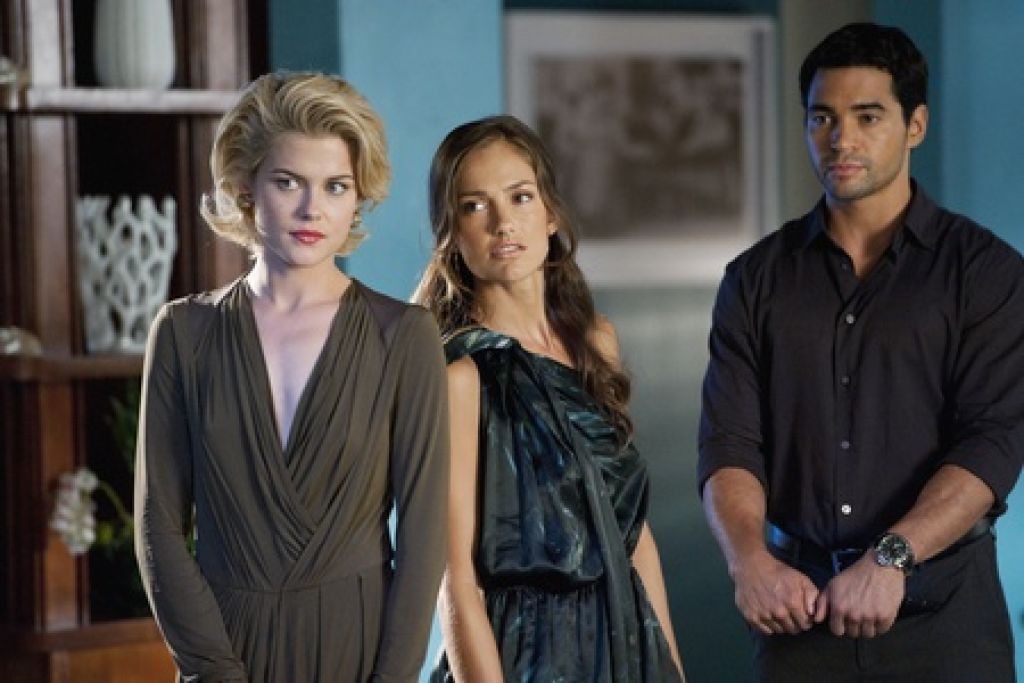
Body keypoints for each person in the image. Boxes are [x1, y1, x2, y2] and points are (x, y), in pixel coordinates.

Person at [699, 22, 1024, 682]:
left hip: (947, 622)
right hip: (799, 617)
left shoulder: (986, 272)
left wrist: (890, 557)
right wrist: (749, 561)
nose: (840, 139)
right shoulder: (755, 279)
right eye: (822, 117)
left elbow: (992, 441)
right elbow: (729, 443)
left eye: (867, 117)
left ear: (916, 125)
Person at [134, 71, 449, 682]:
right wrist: (215, 674)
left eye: (336, 186)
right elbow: (158, 528)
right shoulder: (182, 333)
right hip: (224, 647)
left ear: (357, 198)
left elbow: (423, 541)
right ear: (246, 187)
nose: (312, 209)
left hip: (355, 649)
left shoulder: (404, 337)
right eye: (288, 182)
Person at [414, 115, 685, 682]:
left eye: (519, 197)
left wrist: (672, 671)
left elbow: (634, 537)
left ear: (551, 213)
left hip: (623, 642)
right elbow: (456, 578)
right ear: (453, 234)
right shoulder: (459, 374)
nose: (502, 223)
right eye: (474, 206)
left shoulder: (596, 343)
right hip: (520, 657)